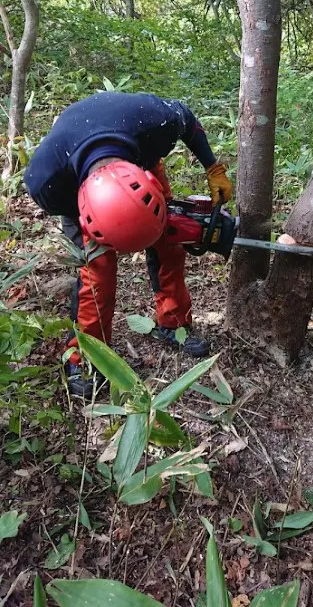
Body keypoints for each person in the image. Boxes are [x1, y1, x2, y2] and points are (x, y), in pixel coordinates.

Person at [24, 91, 233, 398]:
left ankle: (174, 322)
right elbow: (74, 222)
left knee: (169, 244)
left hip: (135, 155)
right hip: (80, 187)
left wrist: (213, 168)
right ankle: (85, 353)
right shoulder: (46, 181)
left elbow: (188, 120)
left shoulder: (155, 121)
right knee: (97, 275)